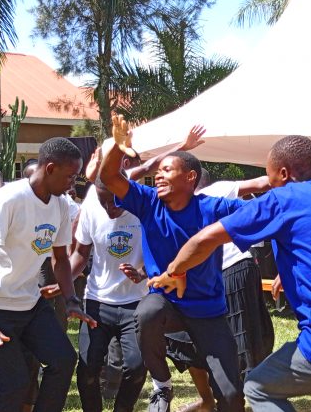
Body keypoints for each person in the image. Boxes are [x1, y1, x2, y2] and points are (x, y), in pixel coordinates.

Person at [153, 135, 311, 412]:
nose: (268, 183)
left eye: (270, 176)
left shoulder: (283, 199)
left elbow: (203, 240)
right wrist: (290, 270)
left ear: (283, 174)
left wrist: (174, 271)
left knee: (258, 387)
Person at [100, 116, 245, 412]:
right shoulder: (148, 202)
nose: (159, 176)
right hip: (167, 306)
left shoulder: (212, 208)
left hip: (207, 310)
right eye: (158, 171)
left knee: (231, 397)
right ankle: (162, 384)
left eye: (167, 170)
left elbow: (264, 210)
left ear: (190, 177)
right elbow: (110, 178)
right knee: (148, 311)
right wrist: (117, 147)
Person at [0, 137, 95, 412]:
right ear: (50, 168)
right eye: (70, 176)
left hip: (30, 303)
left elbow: (60, 258)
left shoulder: (60, 205)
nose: (72, 184)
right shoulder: (9, 199)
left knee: (63, 360)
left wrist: (71, 299)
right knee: (14, 385)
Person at [168, 170, 273, 412]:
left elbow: (261, 182)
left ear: (192, 180)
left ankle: (243, 399)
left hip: (233, 268)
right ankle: (216, 399)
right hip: (216, 277)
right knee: (225, 337)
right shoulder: (178, 208)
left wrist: (293, 181)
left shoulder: (214, 192)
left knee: (241, 338)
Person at [69, 181, 149, 412]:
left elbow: (161, 252)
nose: (107, 207)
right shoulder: (91, 210)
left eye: (114, 201)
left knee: (136, 368)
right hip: (97, 301)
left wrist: (142, 273)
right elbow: (81, 253)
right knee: (87, 369)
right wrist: (64, 281)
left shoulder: (144, 210)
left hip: (136, 303)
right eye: (102, 201)